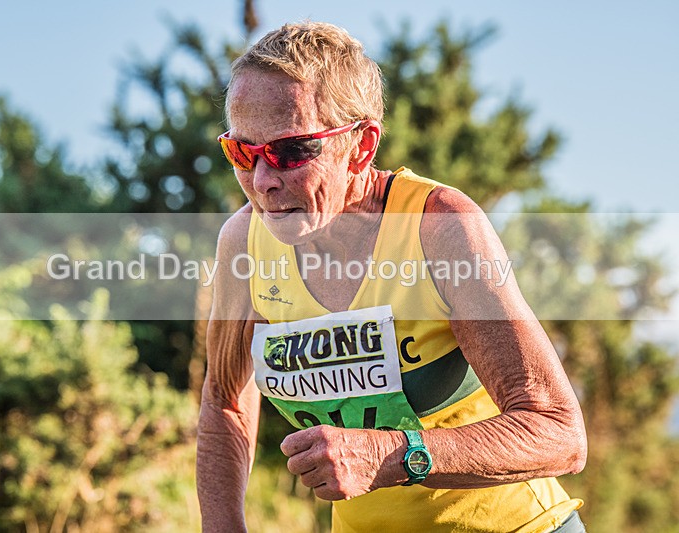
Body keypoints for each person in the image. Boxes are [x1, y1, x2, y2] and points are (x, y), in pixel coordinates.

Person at [196, 21, 587, 533]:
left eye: (291, 152)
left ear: (361, 145)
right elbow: (224, 397)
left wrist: (393, 454)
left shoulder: (438, 226)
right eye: (243, 153)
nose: (265, 182)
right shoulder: (244, 242)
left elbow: (559, 434)